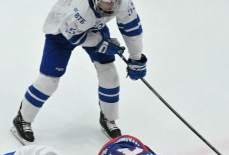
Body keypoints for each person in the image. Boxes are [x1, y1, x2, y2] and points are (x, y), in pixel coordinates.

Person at [11, 0, 147, 144]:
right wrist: (101, 43)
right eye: (104, 2)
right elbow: (73, 36)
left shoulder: (124, 3)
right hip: (61, 33)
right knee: (48, 82)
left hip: (95, 28)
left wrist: (136, 57)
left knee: (109, 74)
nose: (109, 6)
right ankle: (22, 119)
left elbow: (132, 28)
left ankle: (108, 118)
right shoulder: (81, 10)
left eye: (112, 1)